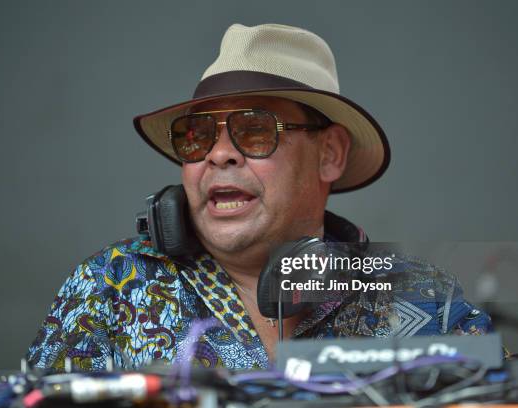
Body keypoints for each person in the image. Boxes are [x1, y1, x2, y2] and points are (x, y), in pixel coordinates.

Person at [25, 23, 492, 372]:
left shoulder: (424, 298)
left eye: (254, 129)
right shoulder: (109, 285)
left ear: (329, 153)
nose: (219, 154)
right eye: (196, 135)